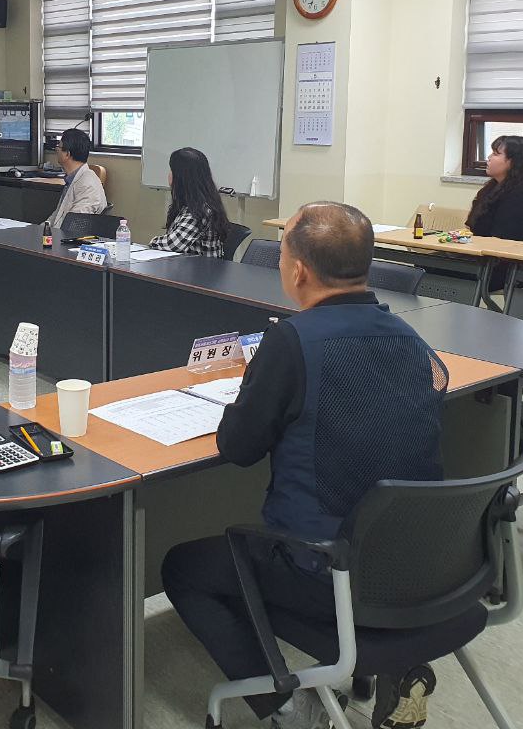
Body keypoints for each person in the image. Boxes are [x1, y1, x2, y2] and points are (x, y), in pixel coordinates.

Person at [161, 201, 447, 729]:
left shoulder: (293, 341)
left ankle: (284, 709)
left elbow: (239, 448)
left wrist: (251, 390)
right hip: (418, 564)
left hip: (324, 569)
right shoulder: (411, 341)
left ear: (296, 271)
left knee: (183, 567)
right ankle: (385, 665)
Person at [466, 135, 523, 292]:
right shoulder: (490, 189)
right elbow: (474, 228)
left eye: (496, 154)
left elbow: (504, 239)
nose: (488, 158)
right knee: (429, 263)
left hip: (513, 268)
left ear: (512, 161)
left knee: (435, 269)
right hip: (486, 259)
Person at [148, 147, 230, 257]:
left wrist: (154, 241)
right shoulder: (190, 204)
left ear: (181, 177)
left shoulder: (201, 208)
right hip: (188, 267)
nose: (169, 174)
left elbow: (175, 244)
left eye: (171, 170)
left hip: (203, 271)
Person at [46, 128, 108, 227]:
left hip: (67, 239)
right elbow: (56, 216)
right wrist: (38, 232)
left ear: (67, 154)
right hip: (57, 236)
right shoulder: (73, 179)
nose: (56, 149)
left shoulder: (87, 184)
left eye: (59, 146)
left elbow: (74, 225)